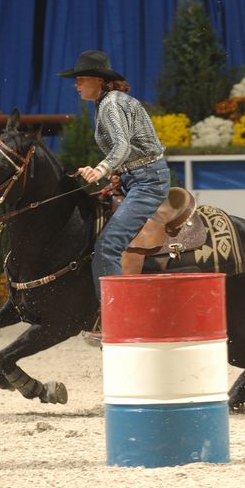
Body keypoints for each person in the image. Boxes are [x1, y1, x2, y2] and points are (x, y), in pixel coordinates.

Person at [59, 50, 170, 304]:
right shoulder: (109, 102)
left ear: (99, 80)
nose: (76, 85)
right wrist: (119, 172)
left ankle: (115, 317)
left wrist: (101, 170)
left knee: (107, 246)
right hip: (140, 177)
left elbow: (122, 145)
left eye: (81, 79)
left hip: (148, 182)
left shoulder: (110, 104)